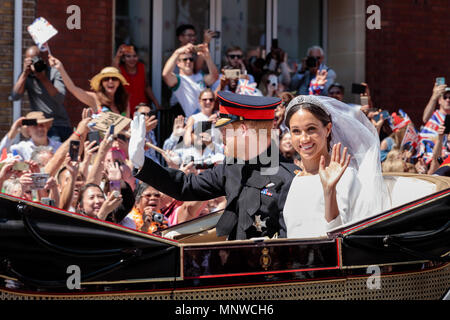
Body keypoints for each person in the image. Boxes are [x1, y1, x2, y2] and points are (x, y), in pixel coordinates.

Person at [129, 91, 299, 240]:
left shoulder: (289, 179)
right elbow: (185, 186)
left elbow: (290, 244)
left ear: (243, 130)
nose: (221, 138)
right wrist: (141, 162)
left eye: (225, 131)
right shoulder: (231, 168)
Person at [283, 95, 390, 238]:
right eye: (296, 131)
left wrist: (329, 191)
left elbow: (343, 238)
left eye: (311, 129)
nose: (304, 138)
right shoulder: (296, 180)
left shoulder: (346, 176)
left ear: (328, 129)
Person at [11, 46, 72, 142]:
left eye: (36, 59)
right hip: (42, 124)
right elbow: (15, 96)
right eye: (31, 60)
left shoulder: (54, 72)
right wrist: (24, 74)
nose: (34, 63)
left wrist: (42, 78)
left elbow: (60, 98)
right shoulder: (26, 75)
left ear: (43, 59)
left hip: (61, 123)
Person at [48, 56, 130, 116]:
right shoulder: (95, 98)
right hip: (101, 139)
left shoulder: (124, 101)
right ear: (102, 83)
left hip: (121, 139)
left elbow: (128, 125)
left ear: (119, 82)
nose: (110, 81)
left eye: (114, 79)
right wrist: (60, 68)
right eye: (106, 79)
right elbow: (73, 89)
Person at [162, 43, 218, 118]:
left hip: (208, 118)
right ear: (178, 63)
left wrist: (207, 57)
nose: (188, 62)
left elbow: (214, 77)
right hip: (193, 121)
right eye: (185, 59)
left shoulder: (200, 76)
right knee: (202, 129)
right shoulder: (179, 80)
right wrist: (177, 52)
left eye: (191, 59)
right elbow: (165, 75)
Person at [113, 44, 161, 117]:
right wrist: (117, 56)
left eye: (134, 56)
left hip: (141, 106)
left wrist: (156, 103)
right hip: (125, 108)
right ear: (123, 58)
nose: (132, 59)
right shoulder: (120, 69)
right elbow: (113, 70)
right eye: (128, 56)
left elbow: (146, 86)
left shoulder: (141, 67)